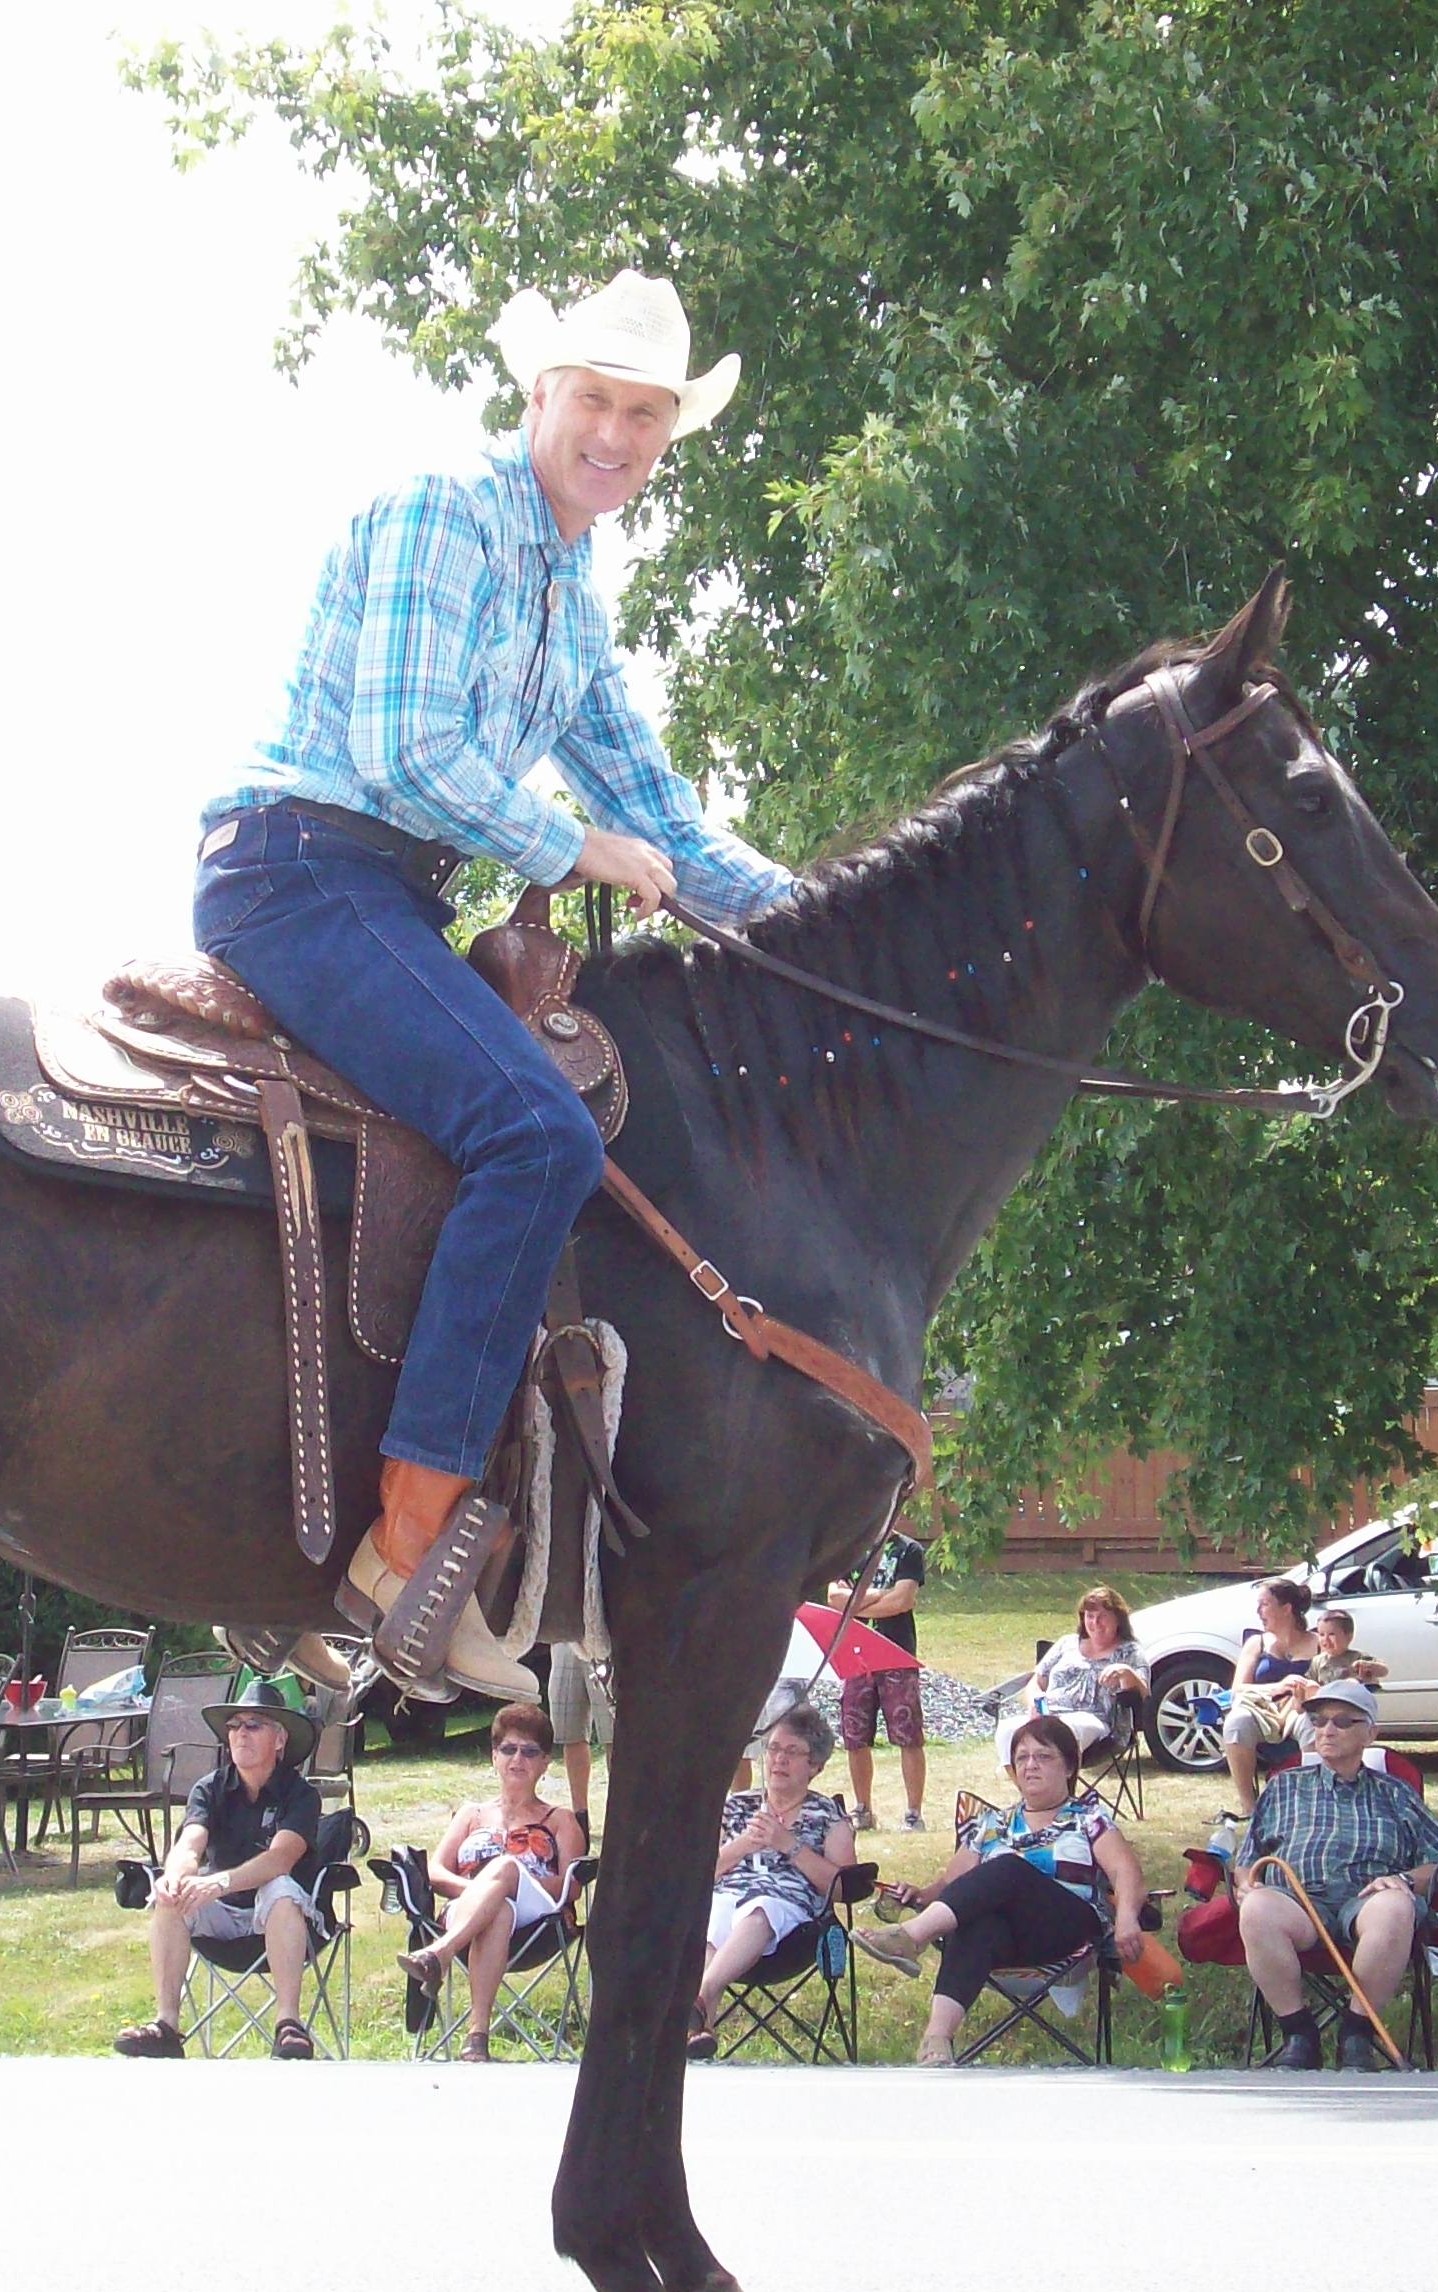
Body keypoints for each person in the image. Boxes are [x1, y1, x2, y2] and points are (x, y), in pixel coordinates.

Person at [196, 268, 794, 1704]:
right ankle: (409, 1547)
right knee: (537, 1133)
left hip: (383, 892)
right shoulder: (441, 518)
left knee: (530, 1120)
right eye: (595, 400)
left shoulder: (568, 592)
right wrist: (571, 844)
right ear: (538, 397)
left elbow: (656, 808)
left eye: (646, 415)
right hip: (299, 866)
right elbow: (403, 752)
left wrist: (822, 926)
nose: (618, 434)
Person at [856, 1714, 1148, 2064]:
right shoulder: (992, 1824)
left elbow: (1125, 1870)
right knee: (976, 1924)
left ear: (1069, 1767)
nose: (1030, 1766)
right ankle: (936, 2039)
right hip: (1010, 1940)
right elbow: (952, 1885)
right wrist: (918, 1895)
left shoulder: (1087, 1818)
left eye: (1043, 1756)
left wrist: (1128, 1917)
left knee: (1008, 1868)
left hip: (1067, 1930)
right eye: (1021, 1758)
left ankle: (910, 1938)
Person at [1234, 1679, 1438, 2070]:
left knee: (1394, 1907)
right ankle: (1299, 2034)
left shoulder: (1395, 1792)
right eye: (1318, 1720)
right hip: (1298, 1903)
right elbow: (1248, 1859)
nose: (1327, 1730)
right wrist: (1244, 1884)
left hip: (1367, 1901)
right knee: (1256, 1908)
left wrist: (1405, 1881)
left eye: (1341, 1721)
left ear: (1370, 1732)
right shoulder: (1284, 1786)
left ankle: (1357, 2031)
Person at [116, 1678, 328, 2060]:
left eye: (253, 1725)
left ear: (279, 1740)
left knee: (280, 1889)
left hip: (281, 1919)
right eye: (234, 1727)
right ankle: (166, 2025)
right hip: (222, 1917)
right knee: (172, 1896)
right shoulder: (209, 1788)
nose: (240, 1735)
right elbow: (190, 1842)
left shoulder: (301, 1795)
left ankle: (289, 2024)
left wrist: (220, 1881)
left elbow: (281, 1857)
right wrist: (176, 1874)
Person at [398, 1700, 588, 2060]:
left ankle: (438, 1954)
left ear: (545, 1763)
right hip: (470, 1910)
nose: (518, 1759)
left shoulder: (561, 1819)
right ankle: (476, 2037)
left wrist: (504, 1880)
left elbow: (571, 1885)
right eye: (509, 1749)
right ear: (494, 1757)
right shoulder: (471, 1813)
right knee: (497, 1908)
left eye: (530, 1751)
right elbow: (436, 1872)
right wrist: (484, 1895)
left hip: (538, 1916)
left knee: (506, 1868)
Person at [686, 1703, 854, 2059]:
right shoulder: (736, 1806)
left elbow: (844, 1887)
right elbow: (698, 1875)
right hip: (725, 1903)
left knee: (762, 1907)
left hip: (791, 1922)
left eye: (792, 1752)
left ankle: (703, 1994)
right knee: (712, 1910)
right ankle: (700, 2031)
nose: (778, 1760)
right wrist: (745, 1843)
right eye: (774, 1749)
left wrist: (788, 1844)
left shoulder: (828, 1815)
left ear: (815, 1766)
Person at [828, 1526, 928, 1829]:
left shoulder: (909, 1550)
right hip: (856, 1655)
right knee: (855, 1736)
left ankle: (913, 1812)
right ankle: (863, 1809)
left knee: (908, 1735)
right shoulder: (849, 1548)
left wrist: (856, 1601)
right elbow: (833, 1598)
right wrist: (879, 1595)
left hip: (896, 1652)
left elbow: (903, 1601)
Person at [1014, 1584, 1146, 1767]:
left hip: (1096, 1723)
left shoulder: (1130, 1651)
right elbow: (1035, 1681)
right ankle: (1030, 1794)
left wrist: (1126, 1673)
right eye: (1090, 1616)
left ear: (1118, 1620)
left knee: (1061, 1733)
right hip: (1049, 1714)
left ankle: (1060, 1793)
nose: (1095, 1623)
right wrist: (1037, 1704)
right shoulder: (1066, 1643)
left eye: (1103, 1617)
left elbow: (1144, 1694)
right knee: (1007, 1732)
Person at [1220, 1579, 1321, 1815]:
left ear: (1286, 1609)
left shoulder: (1318, 1643)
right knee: (1236, 1722)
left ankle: (1315, 1800)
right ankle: (1249, 1807)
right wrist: (1277, 1687)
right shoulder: (1257, 1643)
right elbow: (1238, 1689)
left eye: (1264, 1604)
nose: (1258, 1611)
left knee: (1311, 1724)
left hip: (1300, 1709)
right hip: (1262, 1710)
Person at [547, 1642, 610, 1840]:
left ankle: (618, 1815)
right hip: (566, 1638)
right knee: (569, 1731)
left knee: (612, 1735)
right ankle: (580, 1818)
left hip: (605, 1637)